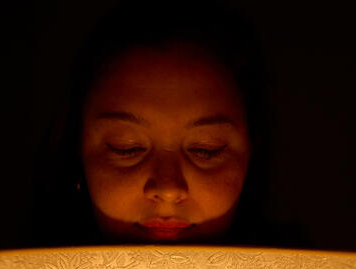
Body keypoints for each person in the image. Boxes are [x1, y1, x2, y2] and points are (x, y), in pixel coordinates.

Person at [36, 0, 281, 246]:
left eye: (205, 149)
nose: (167, 190)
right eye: (127, 148)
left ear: (250, 150)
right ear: (77, 146)